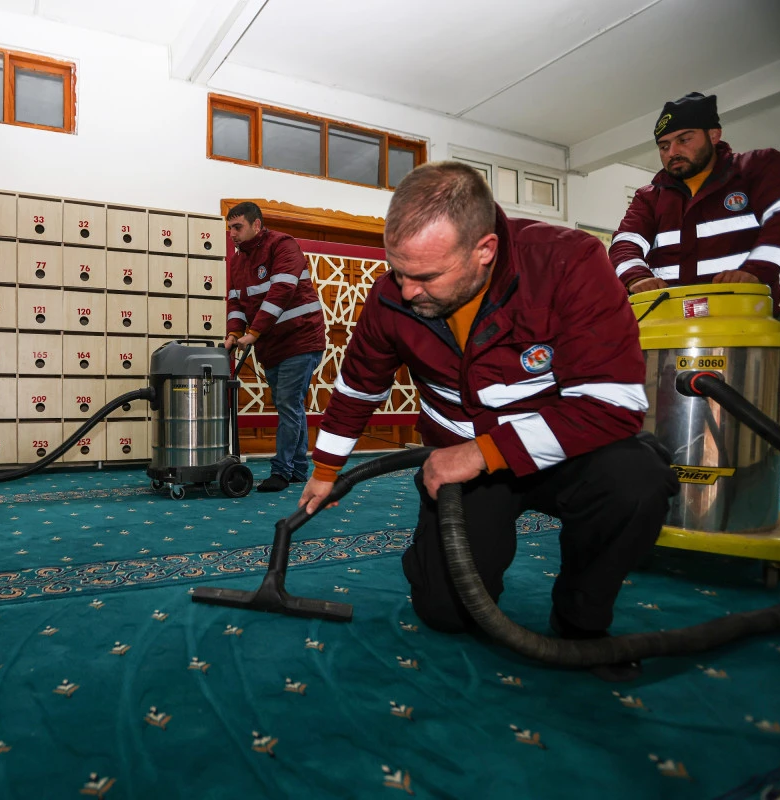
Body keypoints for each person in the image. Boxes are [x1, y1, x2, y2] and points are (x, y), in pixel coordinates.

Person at [299, 161, 679, 681]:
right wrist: (325, 470)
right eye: (398, 271)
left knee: (636, 481)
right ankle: (433, 554)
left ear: (485, 250)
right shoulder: (391, 296)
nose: (406, 291)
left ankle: (581, 620)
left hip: (564, 452)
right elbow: (359, 386)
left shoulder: (569, 262)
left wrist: (483, 451)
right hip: (466, 469)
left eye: (426, 276)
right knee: (446, 613)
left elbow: (614, 402)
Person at [611, 91, 780, 305]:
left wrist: (755, 271)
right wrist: (637, 277)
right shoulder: (649, 196)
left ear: (713, 135)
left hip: (745, 313)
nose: (672, 152)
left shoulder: (756, 169)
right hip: (669, 319)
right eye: (664, 146)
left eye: (684, 140)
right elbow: (625, 242)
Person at [224, 202, 327, 493]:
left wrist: (254, 332)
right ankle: (298, 469)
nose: (232, 234)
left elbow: (282, 291)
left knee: (287, 404)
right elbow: (236, 301)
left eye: (237, 227)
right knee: (291, 405)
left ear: (256, 225)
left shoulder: (283, 245)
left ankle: (281, 471)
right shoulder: (238, 261)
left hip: (301, 338)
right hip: (272, 345)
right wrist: (234, 332)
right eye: (230, 228)